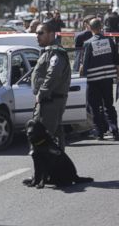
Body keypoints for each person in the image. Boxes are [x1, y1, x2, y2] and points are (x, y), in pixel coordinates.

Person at [31, 19, 71, 151]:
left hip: (51, 101)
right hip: (47, 101)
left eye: (41, 33)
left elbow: (53, 75)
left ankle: (47, 170)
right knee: (53, 138)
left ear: (52, 34)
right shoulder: (48, 51)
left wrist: (41, 93)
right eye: (36, 33)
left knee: (44, 139)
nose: (37, 36)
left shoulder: (56, 53)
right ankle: (57, 169)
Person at [79, 18, 119, 141]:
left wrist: (81, 76)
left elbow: (84, 65)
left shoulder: (88, 43)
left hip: (93, 80)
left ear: (90, 28)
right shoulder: (109, 41)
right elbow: (117, 60)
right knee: (109, 105)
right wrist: (118, 75)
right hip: (108, 79)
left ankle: (99, 132)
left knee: (95, 107)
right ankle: (115, 130)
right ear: (101, 27)